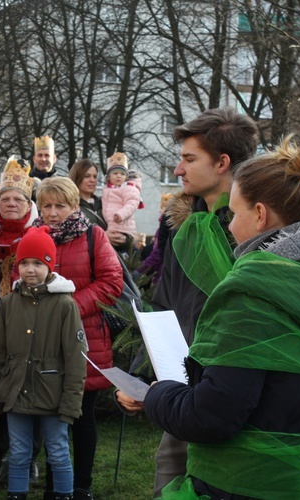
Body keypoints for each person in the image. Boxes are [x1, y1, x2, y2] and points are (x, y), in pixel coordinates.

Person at [143, 134, 300, 498]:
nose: (229, 226)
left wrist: (157, 394)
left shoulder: (253, 293)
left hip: (248, 486)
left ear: (259, 215)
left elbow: (212, 416)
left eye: (234, 213)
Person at [115, 107, 259, 496]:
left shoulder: (259, 231)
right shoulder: (182, 225)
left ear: (222, 163)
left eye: (189, 159)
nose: (178, 170)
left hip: (239, 397)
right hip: (183, 389)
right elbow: (164, 308)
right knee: (170, 473)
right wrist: (143, 381)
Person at [34, 177, 123, 500]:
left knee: (82, 417)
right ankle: (54, 486)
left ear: (74, 206)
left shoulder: (92, 235)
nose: (53, 212)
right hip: (43, 341)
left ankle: (81, 485)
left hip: (84, 340)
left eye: (60, 205)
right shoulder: (34, 236)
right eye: (47, 205)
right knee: (50, 417)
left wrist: (69, 304)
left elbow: (112, 282)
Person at [0, 226, 87, 500]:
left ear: (50, 264)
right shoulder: (8, 304)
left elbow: (76, 360)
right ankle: (17, 494)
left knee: (57, 450)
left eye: (37, 263)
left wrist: (70, 404)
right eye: (24, 263)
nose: (30, 269)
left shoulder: (65, 305)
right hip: (17, 393)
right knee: (19, 452)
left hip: (52, 395)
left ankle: (63, 494)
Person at [0, 158, 38, 297]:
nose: (11, 204)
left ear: (29, 206)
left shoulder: (39, 236)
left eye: (18, 199)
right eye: (5, 199)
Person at [101, 152, 141, 245]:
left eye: (122, 174)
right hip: (112, 226)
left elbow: (132, 203)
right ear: (109, 177)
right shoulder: (107, 189)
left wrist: (121, 214)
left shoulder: (128, 187)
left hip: (123, 227)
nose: (119, 176)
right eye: (115, 173)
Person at [69, 159, 106, 231]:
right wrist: (103, 236)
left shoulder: (104, 203)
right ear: (77, 178)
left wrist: (125, 239)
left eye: (95, 176)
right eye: (87, 176)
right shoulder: (71, 206)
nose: (92, 180)